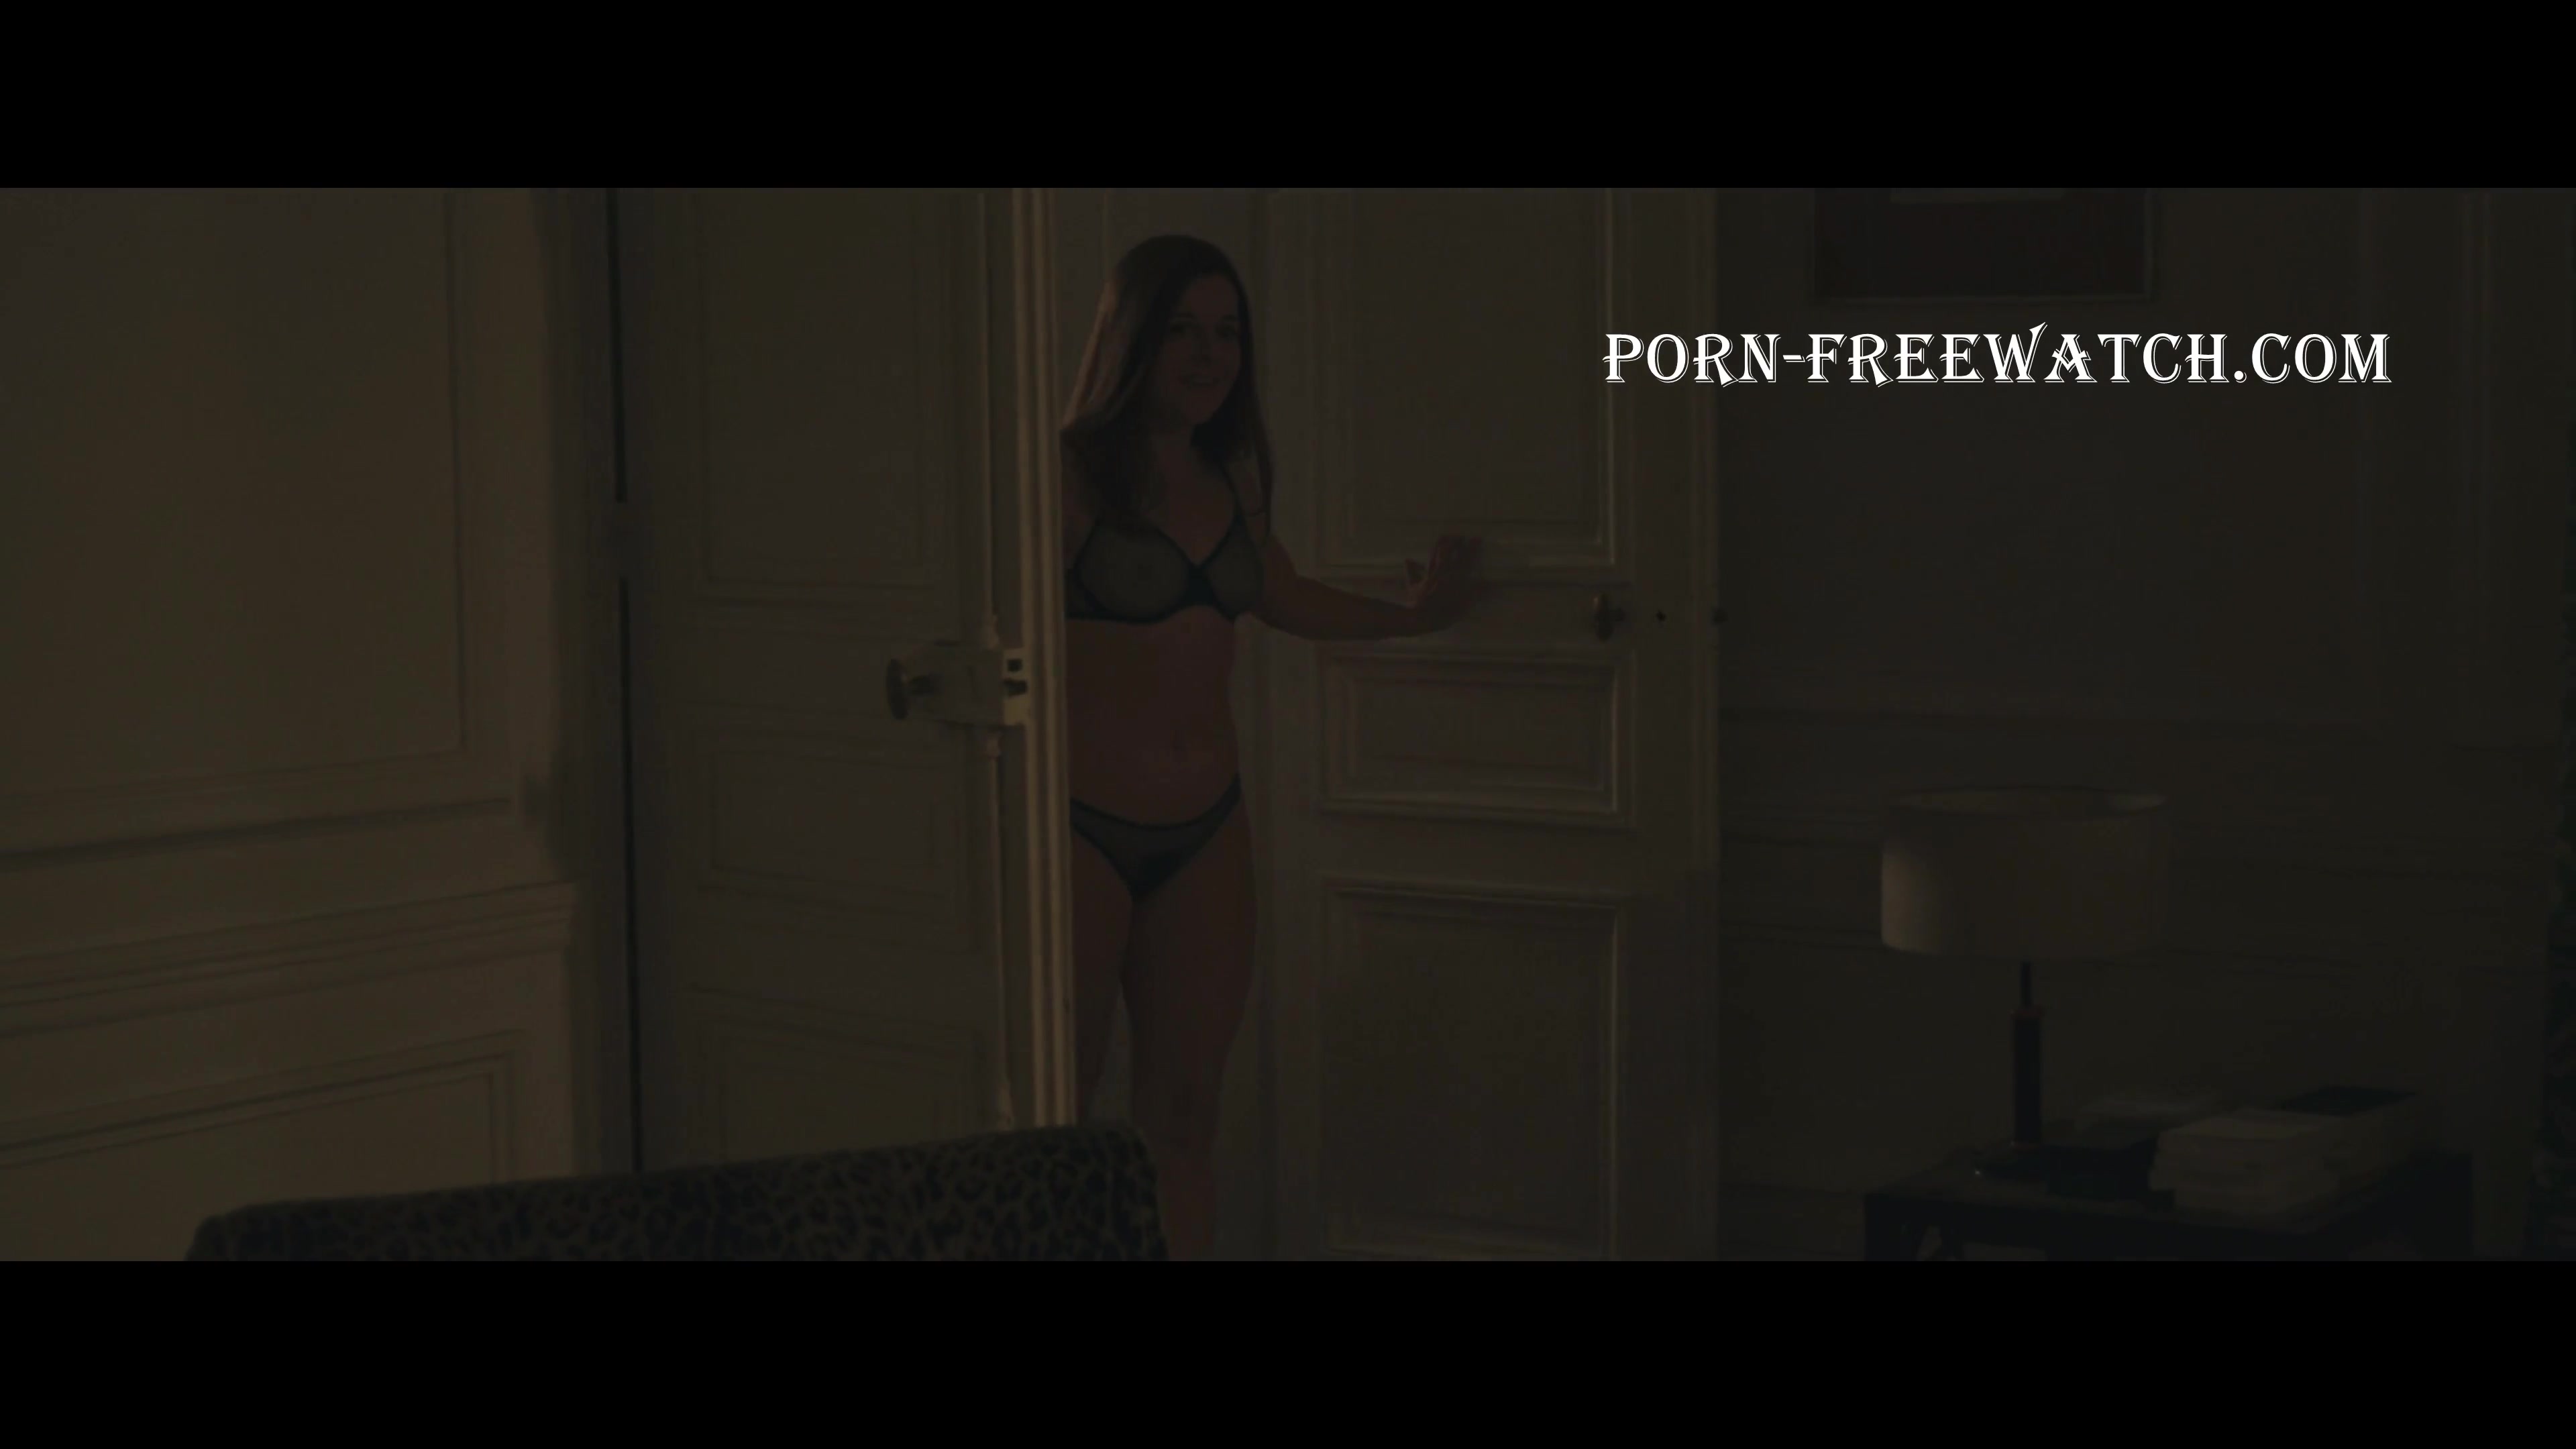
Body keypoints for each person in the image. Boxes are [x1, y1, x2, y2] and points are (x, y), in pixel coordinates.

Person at [1061, 235, 1484, 1259]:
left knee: (1186, 1121)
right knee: (1055, 1122)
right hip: (1079, 832)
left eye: (1227, 334)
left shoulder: (1235, 478)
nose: (1209, 356)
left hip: (1205, 832)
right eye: (1182, 331)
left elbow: (1280, 593)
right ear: (1130, 339)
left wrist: (1414, 618)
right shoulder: (1063, 475)